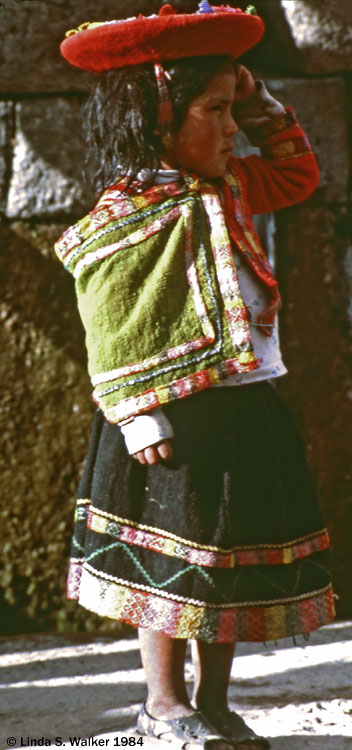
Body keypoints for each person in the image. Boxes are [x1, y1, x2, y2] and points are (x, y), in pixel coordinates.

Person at [56, 4, 335, 748]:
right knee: (169, 567)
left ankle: (214, 701)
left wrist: (258, 98)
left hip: (246, 402)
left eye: (229, 107)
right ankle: (162, 702)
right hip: (169, 414)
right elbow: (111, 323)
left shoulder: (235, 183)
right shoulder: (128, 214)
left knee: (229, 562)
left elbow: (299, 174)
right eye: (213, 110)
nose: (231, 127)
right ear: (157, 114)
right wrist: (136, 412)